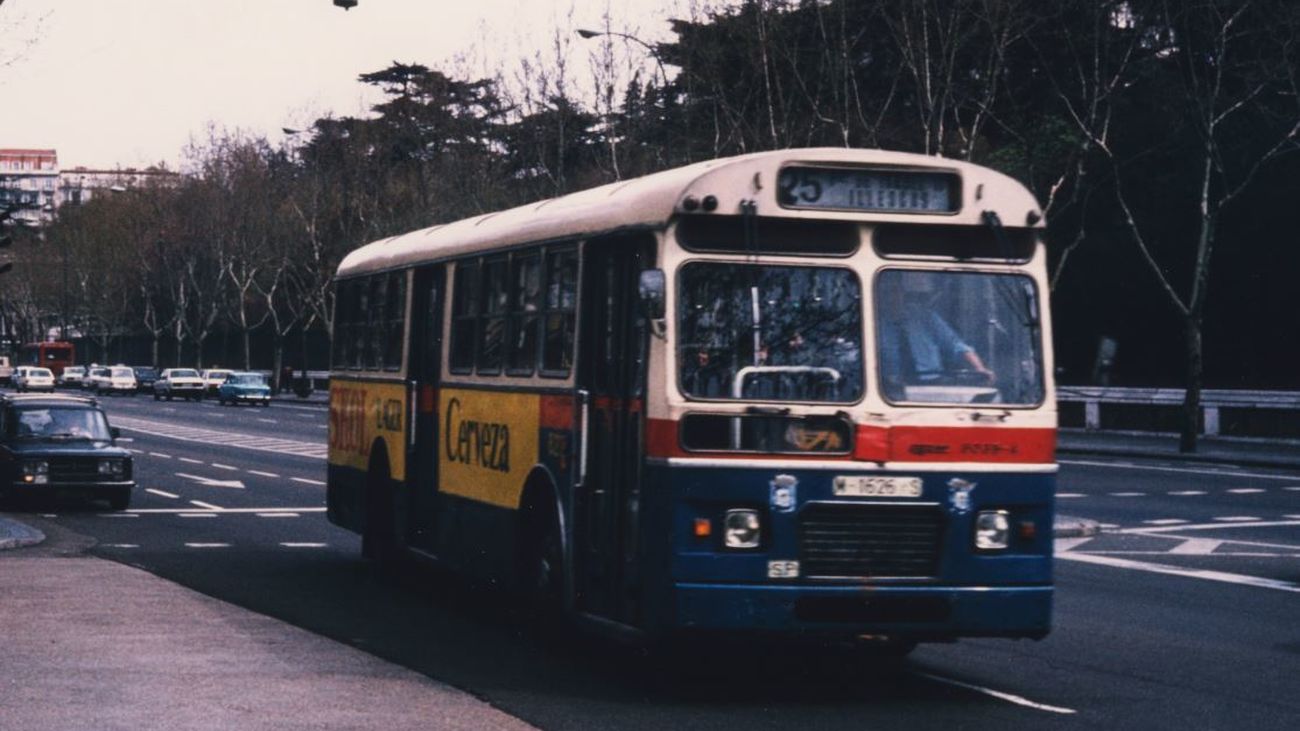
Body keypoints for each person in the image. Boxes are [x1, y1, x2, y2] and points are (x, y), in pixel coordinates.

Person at [878, 279, 995, 398]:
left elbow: (956, 345)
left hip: (933, 384)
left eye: (895, 291)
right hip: (891, 389)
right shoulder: (873, 322)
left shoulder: (925, 316)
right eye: (885, 292)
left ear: (902, 293)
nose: (891, 297)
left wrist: (980, 368)